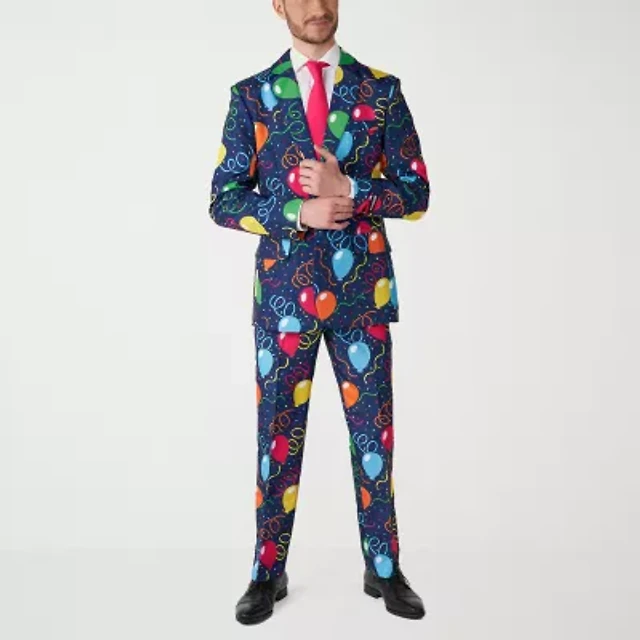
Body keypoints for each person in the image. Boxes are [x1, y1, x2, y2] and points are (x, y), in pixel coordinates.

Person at [209, 0, 430, 625]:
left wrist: (351, 190)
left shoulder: (381, 91)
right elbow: (223, 199)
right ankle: (267, 571)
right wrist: (295, 212)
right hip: (284, 299)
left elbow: (417, 193)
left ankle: (383, 568)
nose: (317, 7)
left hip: (363, 297)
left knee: (374, 436)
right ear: (278, 5)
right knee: (276, 440)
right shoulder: (252, 96)